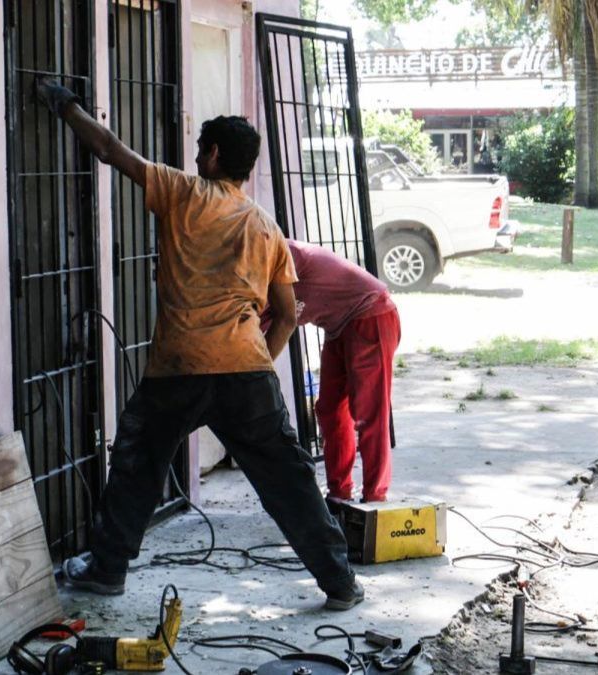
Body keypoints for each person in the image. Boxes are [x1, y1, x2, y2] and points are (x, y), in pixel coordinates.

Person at [35, 80, 364, 610]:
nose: (194, 158)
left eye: (198, 151)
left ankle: (107, 570)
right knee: (289, 481)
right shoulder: (266, 227)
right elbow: (287, 313)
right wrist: (256, 361)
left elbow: (108, 149)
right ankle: (340, 583)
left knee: (138, 464)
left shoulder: (182, 193)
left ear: (212, 155)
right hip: (247, 373)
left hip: (178, 369)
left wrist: (65, 105)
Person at [261, 240, 400, 503]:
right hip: (339, 327)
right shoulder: (249, 272)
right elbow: (255, 324)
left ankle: (375, 497)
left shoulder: (280, 251)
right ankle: (338, 493)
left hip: (370, 314)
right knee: (330, 409)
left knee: (369, 411)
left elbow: (284, 319)